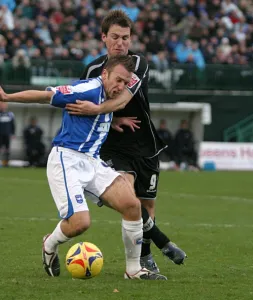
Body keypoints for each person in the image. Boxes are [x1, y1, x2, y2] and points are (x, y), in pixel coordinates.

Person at [0, 55, 166, 280]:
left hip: (92, 161)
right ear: (104, 74)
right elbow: (45, 96)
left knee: (132, 205)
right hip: (66, 160)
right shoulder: (86, 89)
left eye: (125, 84)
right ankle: (49, 244)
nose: (120, 87)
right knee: (80, 223)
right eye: (117, 80)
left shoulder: (109, 96)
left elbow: (106, 110)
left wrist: (114, 120)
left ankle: (133, 270)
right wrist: (7, 96)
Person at [66, 10, 186, 273]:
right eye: (115, 37)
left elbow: (121, 101)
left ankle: (146, 255)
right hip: (114, 145)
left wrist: (102, 112)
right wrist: (113, 121)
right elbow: (86, 100)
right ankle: (152, 252)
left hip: (145, 144)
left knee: (148, 204)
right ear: (103, 38)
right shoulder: (93, 69)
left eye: (126, 37)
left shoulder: (138, 64)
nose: (121, 43)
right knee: (128, 196)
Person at [0, 102, 15, 167]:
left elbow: (13, 125)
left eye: (4, 105)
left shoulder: (10, 114)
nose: (2, 106)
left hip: (7, 134)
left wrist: (13, 133)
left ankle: (6, 163)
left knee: (7, 149)